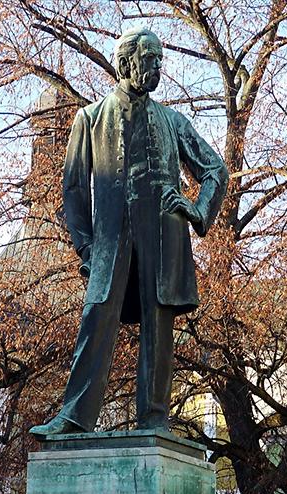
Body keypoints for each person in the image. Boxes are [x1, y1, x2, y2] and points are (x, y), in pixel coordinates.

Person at [30, 27, 228, 438]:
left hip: (163, 235)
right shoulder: (89, 119)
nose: (158, 67)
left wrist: (196, 209)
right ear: (126, 63)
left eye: (160, 59)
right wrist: (84, 247)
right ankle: (74, 415)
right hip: (110, 241)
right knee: (97, 316)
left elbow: (215, 170)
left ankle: (154, 419)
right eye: (151, 59)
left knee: (159, 326)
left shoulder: (172, 121)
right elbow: (73, 188)